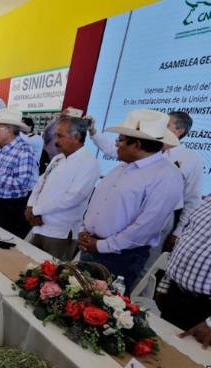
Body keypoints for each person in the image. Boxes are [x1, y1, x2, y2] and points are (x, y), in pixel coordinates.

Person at [78, 109, 183, 293]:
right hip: (91, 248)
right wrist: (85, 231)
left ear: (136, 144)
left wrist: (100, 245)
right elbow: (98, 205)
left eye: (120, 140)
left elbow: (145, 228)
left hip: (119, 259)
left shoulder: (167, 176)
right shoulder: (122, 168)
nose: (116, 145)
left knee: (97, 313)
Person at [88, 110, 204, 246]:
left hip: (161, 220)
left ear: (179, 131)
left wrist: (178, 232)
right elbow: (111, 149)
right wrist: (94, 132)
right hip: (118, 223)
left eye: (166, 125)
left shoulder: (191, 160)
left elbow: (192, 199)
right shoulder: (129, 161)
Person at [25, 116, 99, 260]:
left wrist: (35, 210)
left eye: (60, 136)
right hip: (38, 225)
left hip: (60, 234)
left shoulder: (89, 163)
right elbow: (40, 184)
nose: (56, 141)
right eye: (55, 136)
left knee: (49, 277)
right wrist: (30, 206)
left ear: (76, 136)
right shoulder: (57, 158)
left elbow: (72, 199)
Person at [155, 197, 211, 348]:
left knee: (183, 365)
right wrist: (165, 285)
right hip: (175, 294)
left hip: (204, 313)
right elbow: (184, 241)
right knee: (158, 352)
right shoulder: (207, 202)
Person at [0, 109, 37, 238]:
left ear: (10, 129)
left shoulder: (24, 151)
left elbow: (23, 184)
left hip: (9, 209)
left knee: (2, 246)